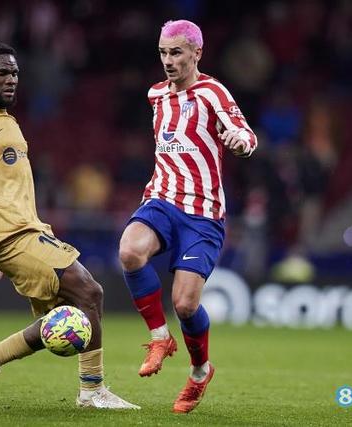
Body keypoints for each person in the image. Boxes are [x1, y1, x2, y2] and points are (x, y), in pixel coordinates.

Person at [0, 42, 138, 410]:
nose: (11, 79)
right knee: (90, 291)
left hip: (28, 232)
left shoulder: (8, 121)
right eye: (2, 72)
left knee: (63, 320)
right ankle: (92, 392)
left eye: (15, 72)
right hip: (14, 237)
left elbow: (2, 190)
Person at [118, 20, 258, 414]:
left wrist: (239, 143)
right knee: (129, 251)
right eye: (163, 52)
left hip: (203, 214)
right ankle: (159, 338)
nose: (168, 60)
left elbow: (246, 135)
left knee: (185, 305)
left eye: (176, 52)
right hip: (161, 200)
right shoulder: (156, 95)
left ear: (197, 53)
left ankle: (199, 371)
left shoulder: (214, 92)